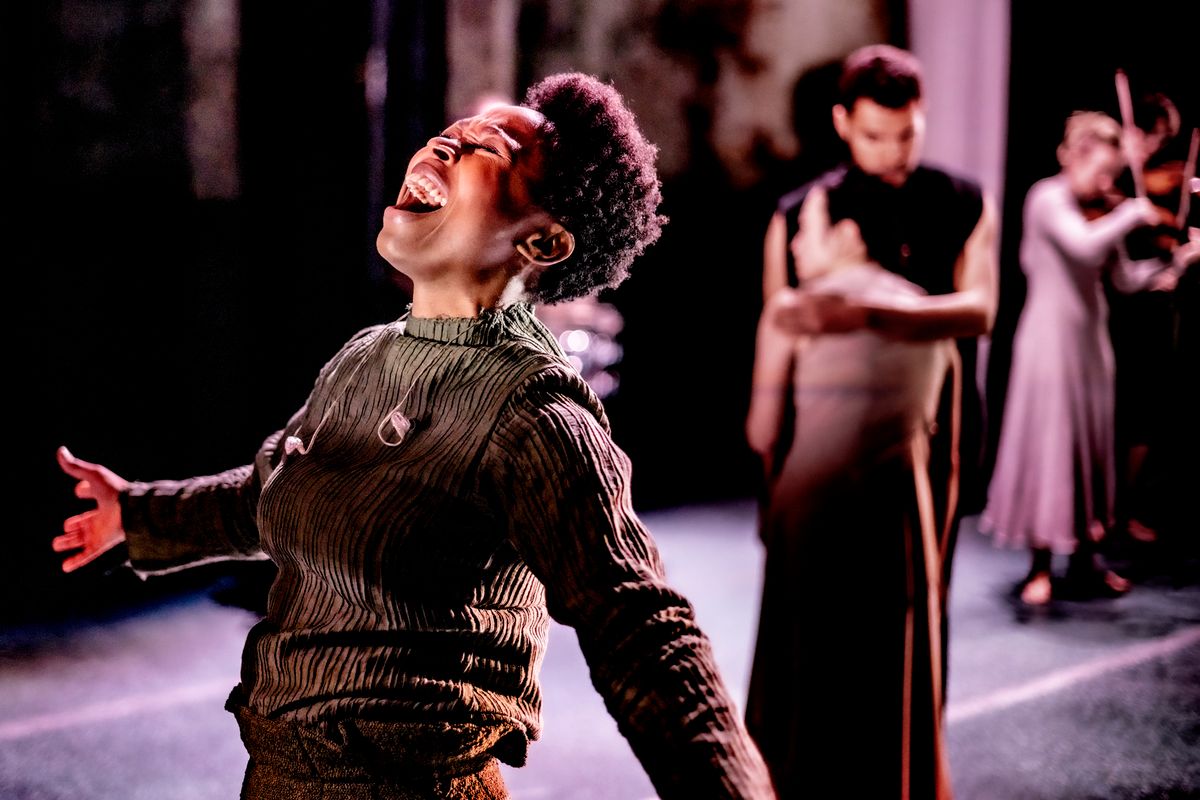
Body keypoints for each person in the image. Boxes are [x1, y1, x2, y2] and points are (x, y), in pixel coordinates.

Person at [52, 72, 775, 800]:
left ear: (544, 240)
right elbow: (271, 491)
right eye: (449, 133)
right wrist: (137, 515)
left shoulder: (534, 415)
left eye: (485, 148)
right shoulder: (365, 358)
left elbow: (640, 626)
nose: (444, 144)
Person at [744, 44, 997, 800]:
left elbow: (979, 310)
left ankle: (904, 774)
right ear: (842, 123)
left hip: (928, 429)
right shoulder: (800, 214)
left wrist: (867, 311)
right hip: (818, 430)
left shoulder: (961, 199)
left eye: (908, 133)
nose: (893, 150)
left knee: (915, 604)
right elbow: (780, 326)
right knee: (809, 612)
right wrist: (769, 462)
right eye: (876, 135)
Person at [979, 111, 1195, 606]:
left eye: (1112, 175)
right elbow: (1082, 247)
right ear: (1075, 156)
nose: (1106, 184)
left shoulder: (1097, 211)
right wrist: (1132, 214)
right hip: (1049, 343)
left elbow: (1123, 278)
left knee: (1091, 449)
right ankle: (1039, 565)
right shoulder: (1047, 199)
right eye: (1101, 172)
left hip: (1091, 344)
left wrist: (1172, 264)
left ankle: (1086, 560)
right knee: (1050, 447)